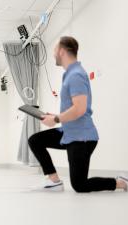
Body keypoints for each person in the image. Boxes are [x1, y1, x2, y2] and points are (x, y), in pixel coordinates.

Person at [28, 36, 128, 192]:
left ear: (61, 51)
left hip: (82, 138)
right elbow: (75, 107)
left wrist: (55, 118)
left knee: (79, 185)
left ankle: (121, 182)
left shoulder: (76, 75)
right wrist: (53, 115)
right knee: (35, 140)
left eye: (54, 50)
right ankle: (54, 181)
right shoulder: (70, 74)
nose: (53, 54)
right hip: (69, 133)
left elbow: (80, 109)